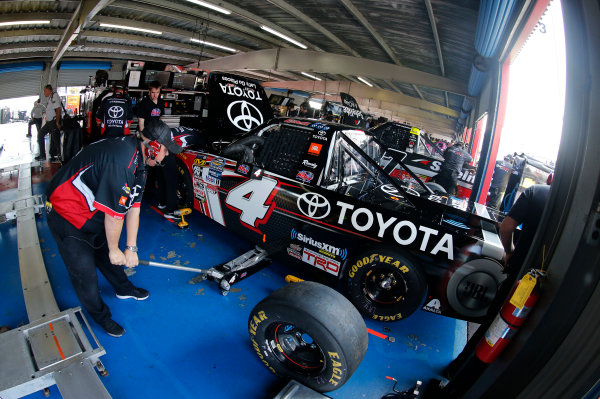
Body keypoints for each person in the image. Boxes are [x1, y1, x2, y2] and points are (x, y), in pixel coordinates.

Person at [44, 119, 184, 337]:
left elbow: (134, 209)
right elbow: (114, 215)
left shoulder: (140, 162)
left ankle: (124, 289)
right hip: (65, 213)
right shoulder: (122, 161)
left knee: (108, 249)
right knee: (85, 274)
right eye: (166, 151)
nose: (166, 156)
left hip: (89, 211)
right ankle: (101, 317)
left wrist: (131, 248)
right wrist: (115, 250)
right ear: (154, 146)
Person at [499, 181, 552, 272]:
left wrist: (509, 252)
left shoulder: (536, 191)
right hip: (550, 275)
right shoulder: (577, 208)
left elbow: (506, 228)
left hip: (521, 265)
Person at [36, 84, 62, 162]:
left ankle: (59, 157)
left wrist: (57, 122)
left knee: (56, 139)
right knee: (40, 134)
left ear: (49, 90)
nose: (44, 93)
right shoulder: (50, 98)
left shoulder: (54, 96)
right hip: (49, 122)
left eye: (45, 91)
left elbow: (58, 109)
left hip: (53, 122)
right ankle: (42, 155)